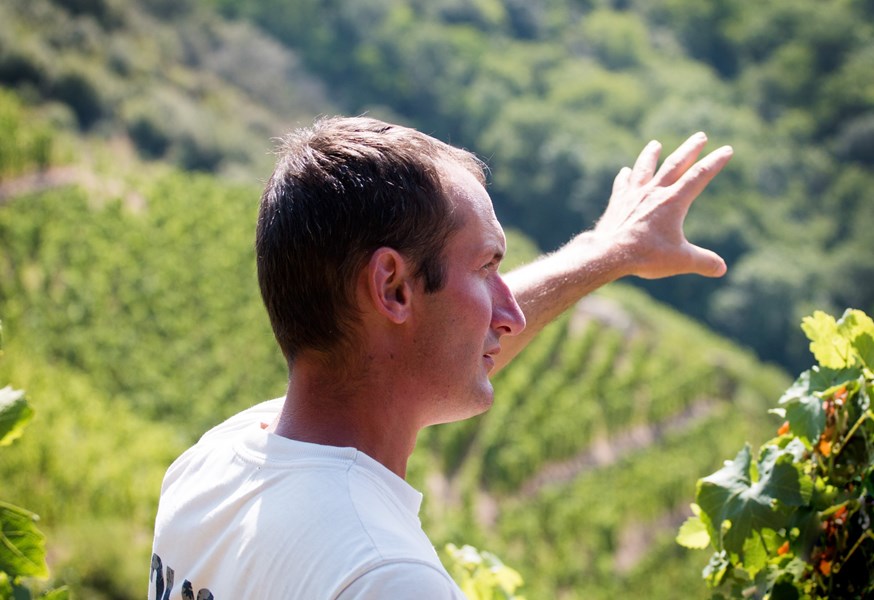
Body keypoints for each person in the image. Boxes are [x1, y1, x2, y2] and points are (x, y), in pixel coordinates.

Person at [148, 116, 732, 598]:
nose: (511, 315)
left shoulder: (210, 466)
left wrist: (606, 251)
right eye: (485, 268)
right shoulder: (385, 577)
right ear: (394, 289)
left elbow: (423, 352)